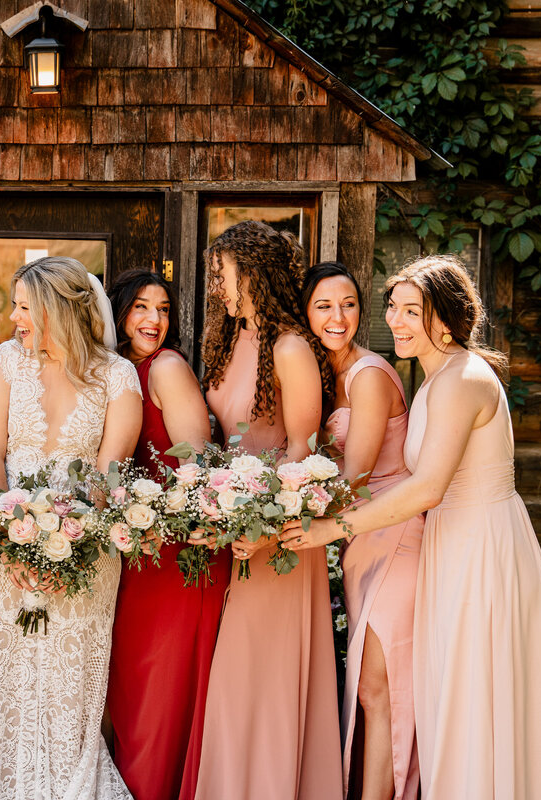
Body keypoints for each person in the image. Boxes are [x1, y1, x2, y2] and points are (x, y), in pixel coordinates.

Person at [282, 255, 541, 800]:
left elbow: (427, 487)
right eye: (393, 308)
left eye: (413, 311)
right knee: (451, 691)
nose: (397, 321)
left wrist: (328, 529)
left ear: (447, 318)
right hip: (449, 540)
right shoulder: (437, 378)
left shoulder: (463, 379)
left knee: (475, 688)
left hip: (481, 542)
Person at [0, 256, 142, 799]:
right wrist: (10, 542)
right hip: (4, 556)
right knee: (13, 687)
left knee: (71, 690)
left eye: (24, 307)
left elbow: (109, 473)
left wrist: (68, 545)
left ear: (56, 308)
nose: (14, 318)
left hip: (86, 555)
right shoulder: (4, 361)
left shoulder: (117, 376)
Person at [193, 221, 343, 800]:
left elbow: (304, 456)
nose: (219, 288)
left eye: (225, 274)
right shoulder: (231, 344)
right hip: (232, 532)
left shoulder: (291, 347)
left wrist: (267, 534)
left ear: (254, 274)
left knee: (262, 676)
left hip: (277, 540)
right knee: (234, 680)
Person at [301, 261, 422, 800]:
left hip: (395, 533)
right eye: (324, 306)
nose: (338, 316)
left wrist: (285, 517)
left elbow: (355, 478)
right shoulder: (328, 375)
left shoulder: (370, 375)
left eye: (348, 304)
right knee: (371, 685)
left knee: (380, 685)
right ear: (307, 314)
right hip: (360, 542)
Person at [104, 269, 227, 800]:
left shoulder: (167, 367)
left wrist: (153, 515)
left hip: (175, 553)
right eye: (140, 308)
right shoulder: (115, 371)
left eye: (163, 309)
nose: (154, 320)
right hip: (134, 554)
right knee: (130, 688)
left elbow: (198, 466)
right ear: (118, 313)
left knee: (158, 690)